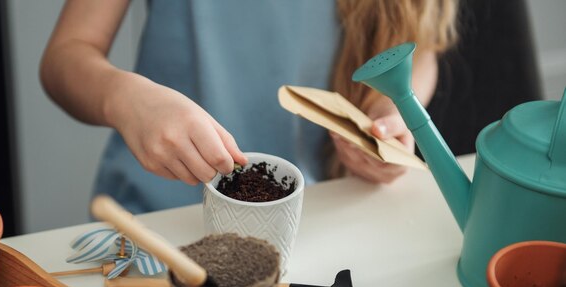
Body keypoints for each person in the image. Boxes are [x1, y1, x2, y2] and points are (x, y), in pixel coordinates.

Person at [40, 0, 458, 214]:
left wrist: (388, 114)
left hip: (311, 218)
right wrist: (124, 97)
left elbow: (419, 44)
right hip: (154, 221)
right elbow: (65, 56)